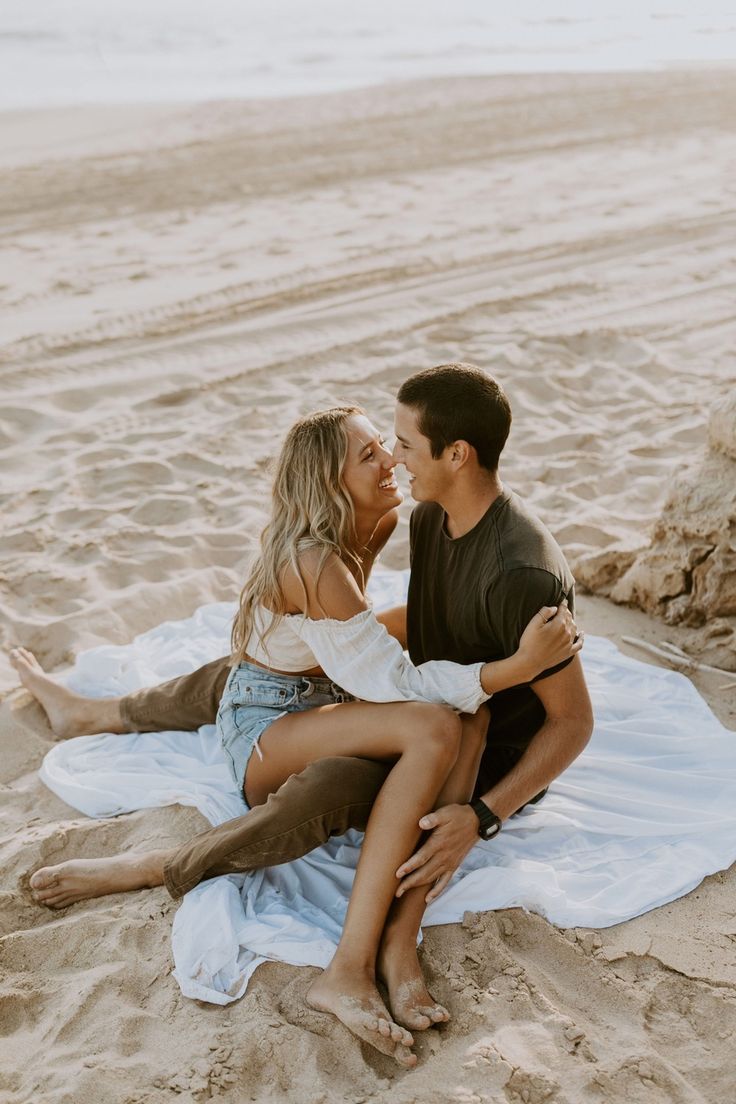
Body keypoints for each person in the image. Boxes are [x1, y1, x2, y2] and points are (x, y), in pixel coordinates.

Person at [12, 364, 593, 1058]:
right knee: (361, 705)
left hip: (326, 702)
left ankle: (102, 717)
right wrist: (512, 669)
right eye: (375, 451)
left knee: (305, 663)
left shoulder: (461, 546)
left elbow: (547, 706)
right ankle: (167, 856)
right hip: (278, 721)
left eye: (396, 443)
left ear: (455, 454)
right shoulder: (392, 532)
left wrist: (487, 803)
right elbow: (391, 669)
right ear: (330, 480)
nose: (393, 461)